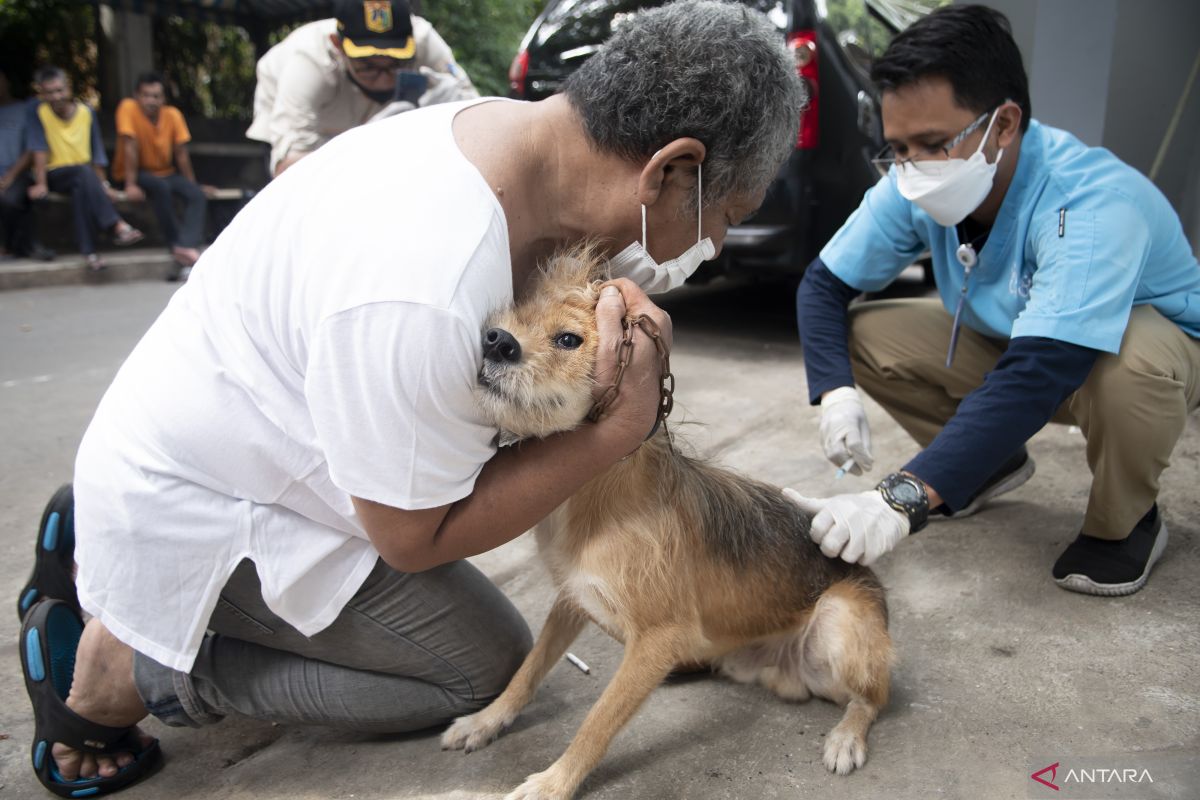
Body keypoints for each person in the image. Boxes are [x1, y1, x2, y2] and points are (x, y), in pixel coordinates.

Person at [16, 1, 805, 795]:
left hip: (234, 433)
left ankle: (92, 537)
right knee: (470, 674)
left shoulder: (506, 141)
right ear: (669, 170)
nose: (719, 244)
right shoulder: (425, 284)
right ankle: (138, 667)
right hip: (212, 496)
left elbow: (607, 287)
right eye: (727, 214)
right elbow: (413, 537)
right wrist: (612, 435)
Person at [787, 5, 1200, 597]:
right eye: (897, 148)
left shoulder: (1088, 202)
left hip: (1133, 351)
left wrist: (900, 498)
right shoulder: (914, 179)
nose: (911, 169)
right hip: (1017, 337)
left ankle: (1126, 521)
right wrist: (836, 393)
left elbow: (1042, 369)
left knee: (1132, 366)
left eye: (931, 143)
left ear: (1004, 125)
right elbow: (824, 285)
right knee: (864, 334)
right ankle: (987, 463)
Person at [246, 0, 478, 176]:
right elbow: (288, 168)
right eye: (367, 66)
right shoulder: (308, 62)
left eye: (395, 64)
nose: (383, 80)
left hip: (376, 123)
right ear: (338, 45)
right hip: (313, 125)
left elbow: (474, 110)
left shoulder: (425, 40)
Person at [26, 65, 144, 271]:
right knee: (82, 173)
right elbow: (38, 149)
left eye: (59, 90)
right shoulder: (39, 112)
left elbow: (96, 152)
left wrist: (104, 185)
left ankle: (89, 254)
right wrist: (41, 183)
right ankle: (116, 225)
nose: (56, 96)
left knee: (81, 188)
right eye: (50, 92)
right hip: (55, 174)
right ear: (42, 94)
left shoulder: (86, 112)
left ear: (68, 88)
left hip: (83, 176)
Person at [113, 71, 210, 276]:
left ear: (163, 98)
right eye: (146, 95)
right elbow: (129, 147)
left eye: (156, 96)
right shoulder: (127, 108)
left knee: (196, 195)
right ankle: (175, 243)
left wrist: (191, 184)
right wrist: (130, 184)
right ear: (137, 96)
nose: (151, 101)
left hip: (165, 172)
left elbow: (181, 153)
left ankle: (186, 244)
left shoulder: (172, 115)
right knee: (161, 189)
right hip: (137, 172)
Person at [0, 68, 54, 261]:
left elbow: (33, 147)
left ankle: (18, 246)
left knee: (11, 200)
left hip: (18, 173)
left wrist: (10, 175)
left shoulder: (25, 109)